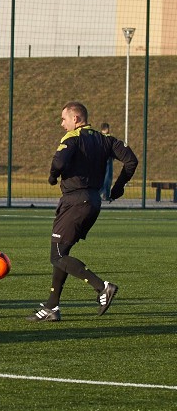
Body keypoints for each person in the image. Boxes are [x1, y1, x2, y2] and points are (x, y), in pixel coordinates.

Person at [27, 102, 137, 323]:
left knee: (57, 255)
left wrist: (52, 177)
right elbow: (131, 160)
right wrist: (118, 187)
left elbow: (59, 161)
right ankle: (52, 307)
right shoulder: (105, 140)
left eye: (63, 119)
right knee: (62, 253)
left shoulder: (73, 137)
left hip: (75, 201)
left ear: (76, 119)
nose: (62, 124)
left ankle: (102, 287)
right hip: (93, 201)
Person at [100, 122, 113, 201]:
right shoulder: (109, 138)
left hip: (99, 159)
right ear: (107, 129)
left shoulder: (98, 137)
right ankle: (105, 194)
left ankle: (100, 193)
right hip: (108, 159)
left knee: (100, 177)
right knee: (108, 178)